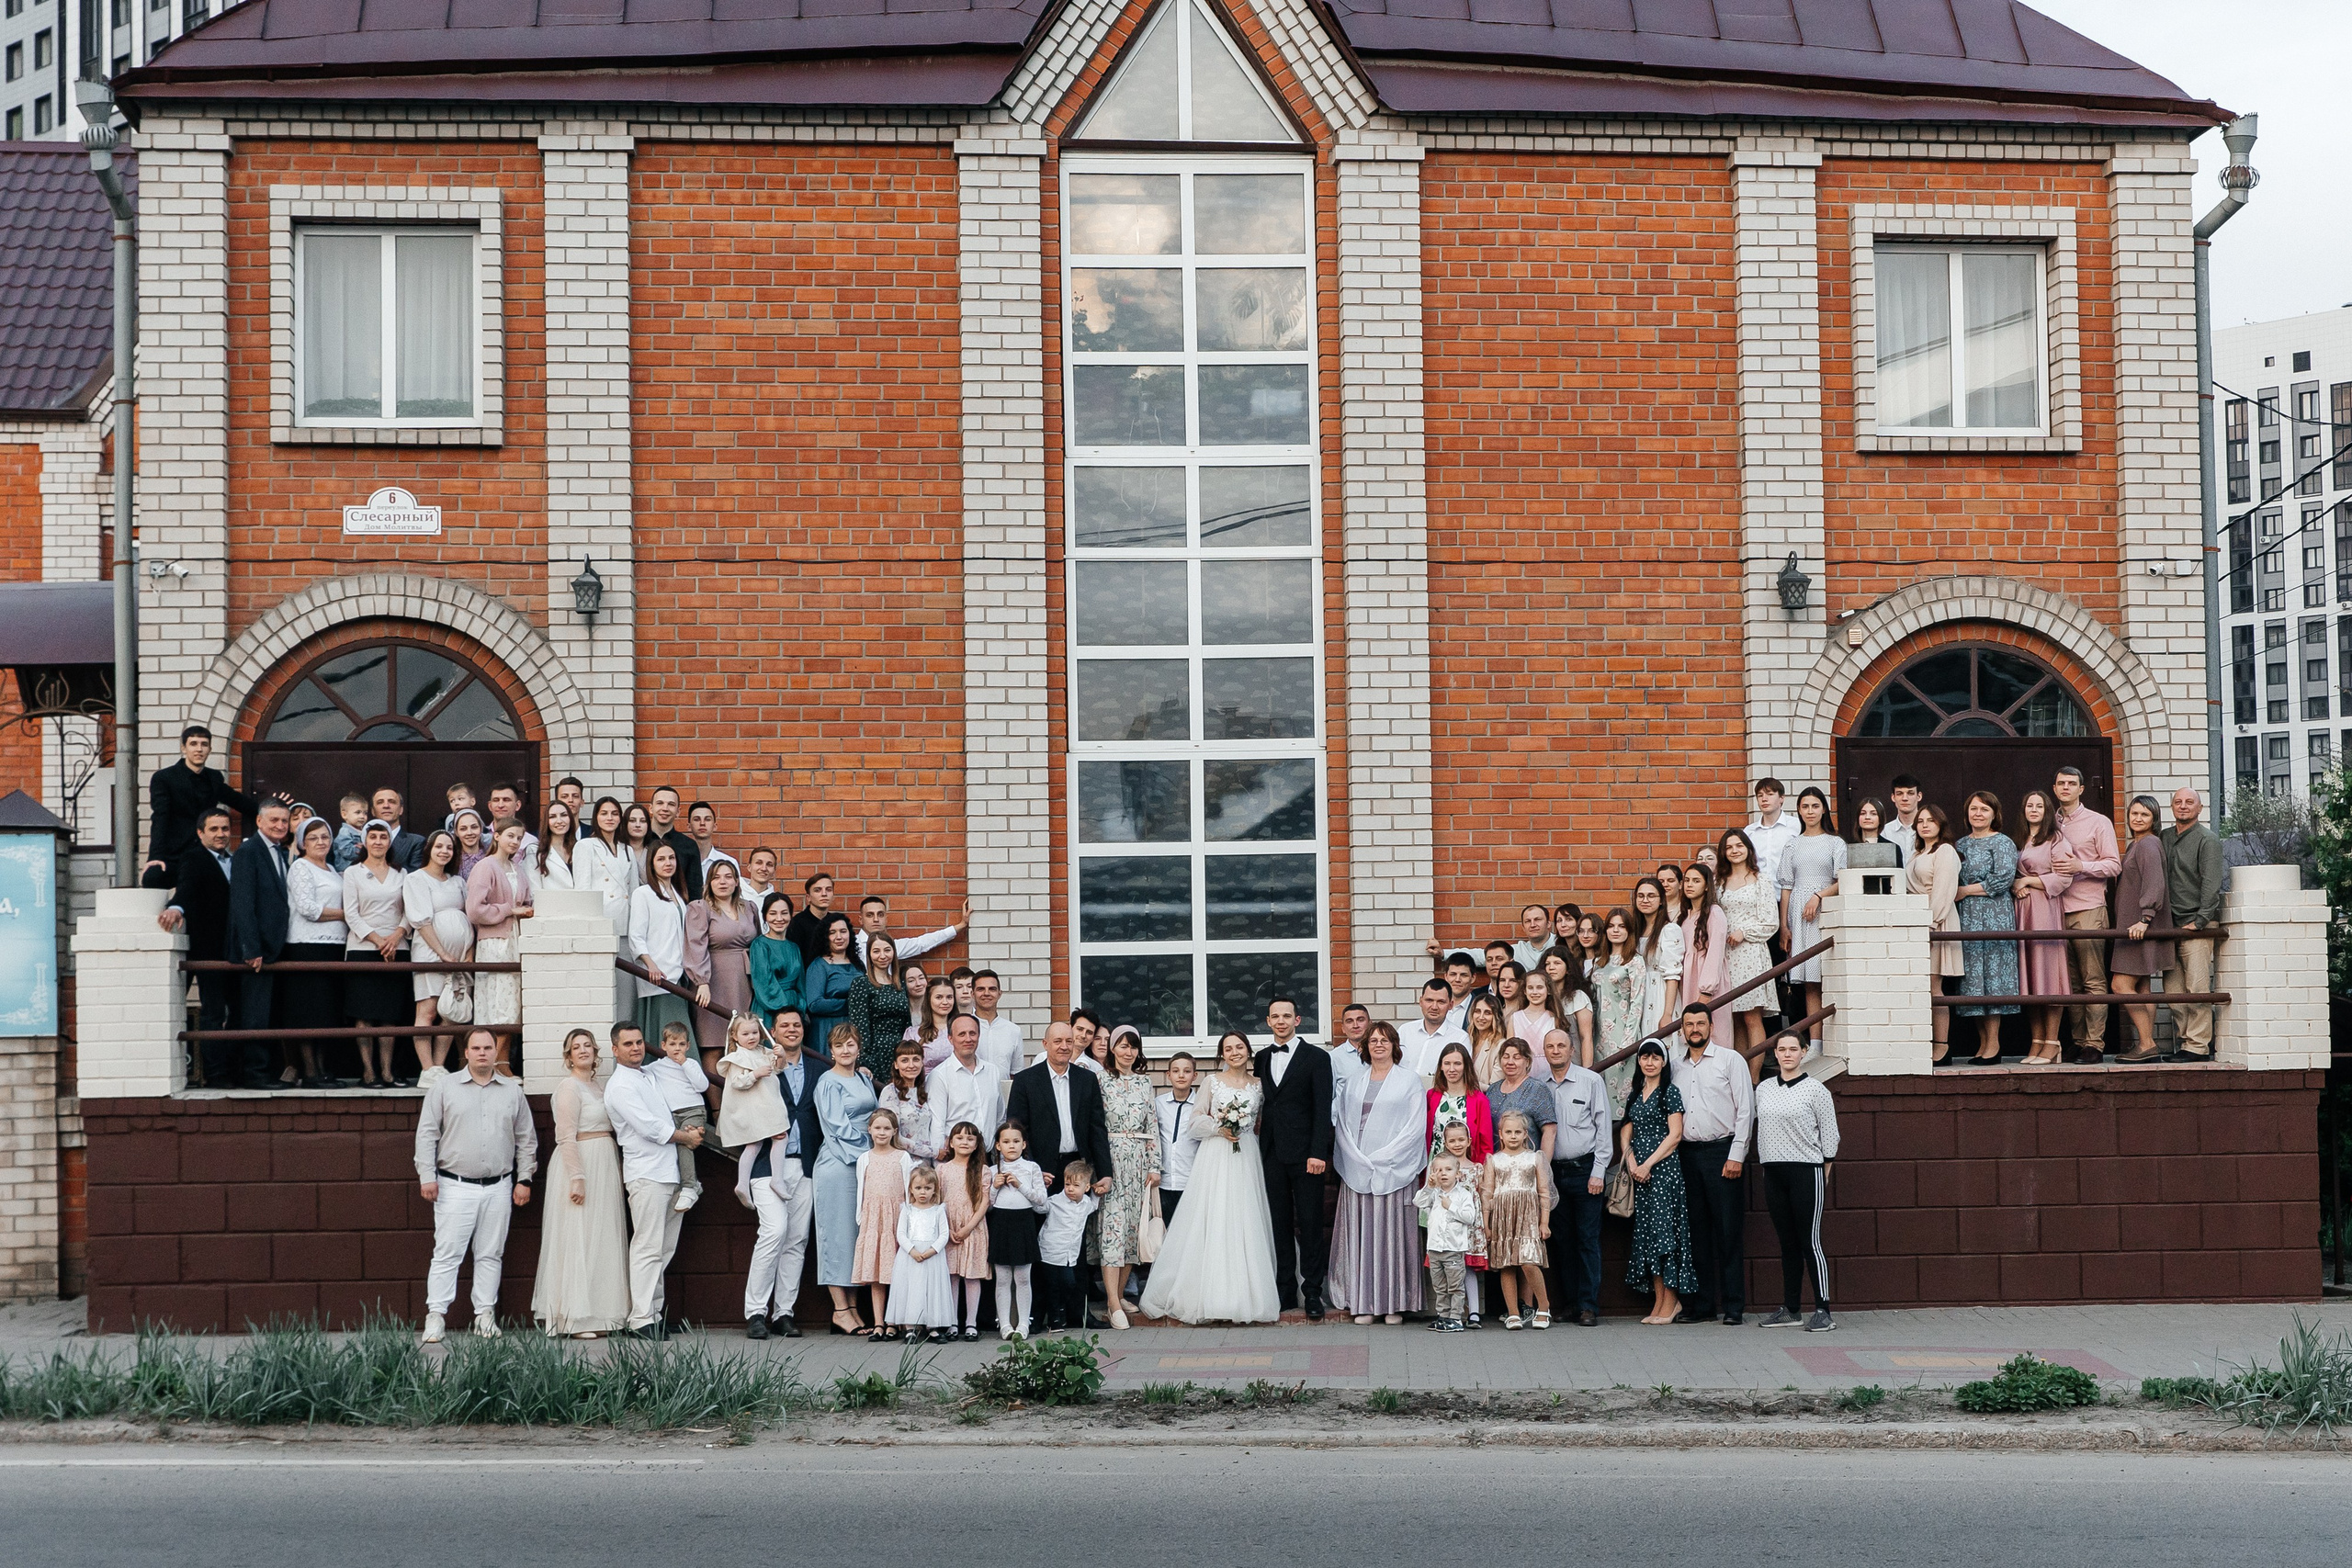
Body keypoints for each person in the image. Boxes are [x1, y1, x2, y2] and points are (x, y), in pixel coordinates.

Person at [1137, 1031, 1282, 1325]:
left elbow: (1259, 1122)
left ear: (1248, 1050)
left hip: (1246, 1156)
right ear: (1222, 1055)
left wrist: (1241, 1127)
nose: (1234, 1052)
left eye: (1239, 1047)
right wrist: (1220, 1127)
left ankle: (1245, 1295)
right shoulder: (1211, 1082)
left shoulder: (1258, 1086)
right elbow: (1195, 1121)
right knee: (1215, 1216)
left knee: (1244, 1218)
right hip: (1216, 1154)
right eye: (1228, 1049)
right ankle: (1209, 1293)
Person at [413, 1028, 537, 1343]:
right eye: (476, 1048)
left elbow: (526, 1140)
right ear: (465, 1052)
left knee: (490, 1254)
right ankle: (435, 1317)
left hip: (499, 1186)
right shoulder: (444, 1088)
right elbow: (427, 1133)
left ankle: (484, 1315)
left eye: (488, 1047)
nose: (482, 1053)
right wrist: (427, 1176)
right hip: (454, 1185)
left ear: (496, 1052)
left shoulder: (512, 1091)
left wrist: (524, 1179)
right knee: (447, 1253)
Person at [603, 1021, 704, 1339]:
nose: (635, 1048)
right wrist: (686, 1137)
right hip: (646, 1174)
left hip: (670, 1172)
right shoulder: (620, 1086)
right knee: (647, 1247)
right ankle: (640, 1318)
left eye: (638, 1042)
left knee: (663, 1249)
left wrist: (692, 1131)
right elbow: (649, 1127)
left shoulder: (649, 1074)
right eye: (628, 1044)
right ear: (615, 1050)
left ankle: (655, 1313)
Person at [1327, 1021, 1429, 1325]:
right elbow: (1342, 1125)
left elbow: (1414, 1127)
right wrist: (1358, 1158)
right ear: (1365, 1047)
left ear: (1394, 1046)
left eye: (1385, 1040)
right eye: (1373, 1041)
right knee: (1363, 1238)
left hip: (1394, 1170)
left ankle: (1393, 1304)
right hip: (1358, 1170)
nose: (1379, 1045)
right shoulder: (1353, 1082)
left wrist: (1384, 1157)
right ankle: (1364, 1303)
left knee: (1391, 1238)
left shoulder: (1409, 1081)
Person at [533, 1028, 629, 1339]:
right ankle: (573, 1320)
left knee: (602, 1237)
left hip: (605, 1163)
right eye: (577, 1047)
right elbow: (565, 1136)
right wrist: (577, 1177)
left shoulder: (600, 1087)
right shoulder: (568, 1088)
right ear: (569, 1055)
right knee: (578, 1238)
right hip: (581, 1165)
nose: (584, 1050)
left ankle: (602, 1314)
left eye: (588, 1045)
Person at [737, 1006, 820, 1338]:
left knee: (797, 1239)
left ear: (803, 1030)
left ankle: (783, 1312)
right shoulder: (761, 1063)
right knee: (774, 1231)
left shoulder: (818, 1068)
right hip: (767, 1163)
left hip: (808, 1162)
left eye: (796, 1025)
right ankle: (755, 1312)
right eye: (784, 1025)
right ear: (773, 1030)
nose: (791, 1029)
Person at [1668, 1002, 1753, 1325]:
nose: (1695, 1029)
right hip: (1687, 1156)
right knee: (1696, 1234)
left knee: (1728, 1233)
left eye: (1700, 1023)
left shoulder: (1730, 1061)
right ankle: (1702, 1307)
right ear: (1682, 1030)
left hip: (1722, 1154)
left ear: (1711, 1027)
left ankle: (1733, 1308)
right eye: (1689, 1024)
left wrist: (1736, 1155)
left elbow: (1745, 1109)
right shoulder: (1675, 1067)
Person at [1253, 998, 1334, 1319]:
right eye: (1276, 1016)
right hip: (1271, 1153)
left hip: (1306, 1156)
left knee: (1311, 1223)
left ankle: (1312, 1292)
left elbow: (1322, 1108)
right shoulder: (1261, 1058)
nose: (1282, 1021)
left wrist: (1318, 1152)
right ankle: (1285, 1290)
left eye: (1288, 1016)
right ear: (1268, 1021)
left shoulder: (1317, 1058)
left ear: (1298, 1020)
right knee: (1279, 1223)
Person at [1755, 1032, 1839, 1331]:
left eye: (1793, 1049)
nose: (1787, 1054)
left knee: (1809, 1241)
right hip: (1773, 1173)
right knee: (1787, 1242)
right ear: (1775, 1054)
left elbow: (1831, 1135)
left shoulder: (1816, 1090)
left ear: (1804, 1052)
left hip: (1807, 1171)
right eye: (1782, 1049)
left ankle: (1823, 1310)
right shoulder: (1764, 1089)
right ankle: (1791, 1309)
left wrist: (1824, 1170)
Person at [156, 808, 238, 1081]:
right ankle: (216, 1075)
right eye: (214, 829)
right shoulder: (194, 857)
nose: (221, 834)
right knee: (214, 1012)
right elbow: (186, 889)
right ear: (200, 833)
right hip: (209, 950)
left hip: (236, 950)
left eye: (225, 829)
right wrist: (176, 907)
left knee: (237, 1011)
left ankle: (234, 1070)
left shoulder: (235, 861)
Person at [1620, 1038, 1694, 1325]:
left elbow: (1675, 1136)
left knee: (1666, 1234)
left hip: (1664, 1173)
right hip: (1641, 1173)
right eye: (1644, 1057)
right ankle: (1659, 1301)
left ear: (1663, 1062)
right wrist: (1632, 1161)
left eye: (1655, 1057)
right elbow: (1626, 1130)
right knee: (1650, 1235)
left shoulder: (1670, 1092)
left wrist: (1648, 1163)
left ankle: (1671, 1302)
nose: (1649, 1062)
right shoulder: (1636, 1093)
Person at [1540, 1028, 1611, 1327]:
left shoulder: (1590, 1081)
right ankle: (1570, 1303)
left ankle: (1588, 1306)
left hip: (1585, 1173)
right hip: (1554, 1175)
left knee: (1587, 1241)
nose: (1556, 1051)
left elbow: (1604, 1130)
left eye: (1561, 1046)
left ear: (1571, 1050)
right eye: (1550, 1047)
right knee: (1562, 1243)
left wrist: (1598, 1172)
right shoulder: (1540, 1087)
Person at [2050, 765, 2121, 1061]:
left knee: (2093, 980)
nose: (2065, 788)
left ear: (2081, 789)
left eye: (2071, 783)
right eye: (2060, 783)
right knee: (2072, 983)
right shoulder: (2050, 822)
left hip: (2088, 908)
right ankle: (2078, 1042)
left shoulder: (2098, 822)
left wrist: (2082, 867)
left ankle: (2094, 1044)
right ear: (2054, 789)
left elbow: (2114, 865)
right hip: (2057, 910)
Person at [222, 798, 294, 1091]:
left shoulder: (282, 853)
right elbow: (243, 903)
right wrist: (251, 949)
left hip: (276, 949)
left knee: (269, 1013)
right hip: (256, 952)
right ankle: (254, 1074)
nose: (280, 825)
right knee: (255, 1014)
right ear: (260, 822)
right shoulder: (249, 852)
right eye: (274, 820)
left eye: (284, 821)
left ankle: (268, 1070)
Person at [813, 1023, 879, 1336]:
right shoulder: (828, 1082)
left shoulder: (863, 1078)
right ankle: (839, 1310)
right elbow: (838, 1127)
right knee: (836, 1237)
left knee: (855, 1236)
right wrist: (873, 1148)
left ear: (858, 1046)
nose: (845, 1051)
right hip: (839, 1165)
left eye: (850, 1044)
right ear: (831, 1050)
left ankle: (853, 1309)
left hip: (864, 1165)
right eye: (839, 1046)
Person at [1094, 1026, 1161, 1327]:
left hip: (1138, 1164)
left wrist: (1154, 1165)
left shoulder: (1145, 1083)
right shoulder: (1100, 1079)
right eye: (1121, 1046)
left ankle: (1118, 1294)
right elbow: (1094, 1124)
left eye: (1132, 1047)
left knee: (1133, 1232)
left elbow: (1152, 1125)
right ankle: (1111, 1303)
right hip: (1111, 1159)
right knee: (1112, 1231)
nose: (1127, 1052)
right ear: (1111, 1048)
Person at [1005, 1021, 1115, 1201]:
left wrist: (1105, 1172)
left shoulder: (1087, 1079)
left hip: (1078, 1169)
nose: (1064, 1047)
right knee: (1042, 1226)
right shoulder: (1026, 1080)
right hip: (1042, 1170)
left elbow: (1097, 1128)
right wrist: (1031, 1170)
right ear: (1045, 1044)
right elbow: (1017, 1129)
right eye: (1057, 1041)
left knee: (1075, 1226)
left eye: (1069, 1041)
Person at [341, 819, 413, 1089]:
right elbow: (351, 913)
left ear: (389, 841)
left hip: (396, 949)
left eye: (383, 837)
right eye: (373, 837)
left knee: (389, 1014)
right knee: (364, 1013)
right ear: (365, 841)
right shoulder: (353, 873)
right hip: (363, 949)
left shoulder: (401, 873)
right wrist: (377, 939)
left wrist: (395, 937)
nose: (379, 842)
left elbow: (409, 911)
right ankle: (369, 1071)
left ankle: (388, 1071)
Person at [142, 725, 257, 888]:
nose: (199, 749)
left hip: (205, 851)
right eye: (193, 744)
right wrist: (155, 856)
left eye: (204, 744)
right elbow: (160, 816)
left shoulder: (214, 777)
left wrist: (269, 812)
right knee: (153, 878)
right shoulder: (165, 778)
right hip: (175, 852)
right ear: (184, 748)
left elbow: (237, 800)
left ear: (210, 749)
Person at [1953, 791, 2020, 1064]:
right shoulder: (1959, 844)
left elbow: (2003, 879)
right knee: (1973, 980)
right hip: (1967, 917)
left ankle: (1994, 1045)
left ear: (1994, 813)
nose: (1978, 814)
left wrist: (1965, 890)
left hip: (1995, 915)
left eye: (1984, 809)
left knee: (1993, 978)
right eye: (1973, 809)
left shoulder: (2002, 842)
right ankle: (1982, 1044)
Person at [283, 817, 349, 1090]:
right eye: (313, 838)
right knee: (309, 1011)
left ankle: (323, 1070)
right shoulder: (301, 868)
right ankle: (310, 1072)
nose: (320, 842)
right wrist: (348, 915)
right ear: (301, 844)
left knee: (326, 1012)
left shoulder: (333, 870)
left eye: (324, 836)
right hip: (307, 946)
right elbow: (307, 908)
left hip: (334, 947)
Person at [2160, 787, 2224, 1063]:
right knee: (2173, 993)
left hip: (2196, 926)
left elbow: (2211, 884)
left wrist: (2199, 922)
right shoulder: (2164, 837)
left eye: (2189, 802)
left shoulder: (2207, 840)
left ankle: (2197, 1046)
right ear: (2171, 807)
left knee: (2196, 988)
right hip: (2168, 927)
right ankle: (2184, 1043)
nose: (2183, 806)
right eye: (2178, 802)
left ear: (2199, 809)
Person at [402, 829, 470, 1083]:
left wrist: (465, 956)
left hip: (457, 957)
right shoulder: (416, 879)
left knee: (449, 1013)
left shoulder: (457, 882)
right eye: (439, 846)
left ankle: (440, 1068)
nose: (444, 851)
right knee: (428, 1010)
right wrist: (442, 954)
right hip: (430, 953)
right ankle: (427, 1068)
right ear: (429, 849)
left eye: (449, 848)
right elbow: (420, 920)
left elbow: (467, 919)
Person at [2010, 788, 2073, 1066]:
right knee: (2031, 978)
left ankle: (2052, 1042)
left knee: (2049, 975)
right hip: (2023, 911)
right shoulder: (2021, 839)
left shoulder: (2056, 839)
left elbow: (2063, 878)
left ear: (2047, 810)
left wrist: (2028, 882)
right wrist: (2016, 884)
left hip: (2046, 910)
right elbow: (2013, 875)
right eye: (2029, 805)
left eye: (2039, 805)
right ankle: (2036, 1041)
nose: (2033, 810)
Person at [2111, 795, 2175, 1064]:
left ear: (2154, 819)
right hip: (2135, 927)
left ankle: (2147, 1043)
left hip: (2139, 928)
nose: (2137, 819)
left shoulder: (2148, 843)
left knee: (2120, 984)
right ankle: (2146, 1044)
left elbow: (2155, 883)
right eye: (2134, 814)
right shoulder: (2137, 844)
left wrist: (2145, 918)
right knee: (2143, 986)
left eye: (2144, 815)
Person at [466, 818, 535, 1060]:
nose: (515, 841)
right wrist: (509, 910)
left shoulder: (517, 868)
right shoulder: (486, 866)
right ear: (496, 836)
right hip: (495, 942)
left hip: (515, 940)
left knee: (513, 1002)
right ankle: (495, 1061)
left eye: (519, 837)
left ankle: (502, 1060)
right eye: (510, 836)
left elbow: (524, 902)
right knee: (497, 1002)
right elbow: (474, 910)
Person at [1782, 788, 1846, 1034]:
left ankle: (1833, 1039)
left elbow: (1844, 880)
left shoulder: (1834, 842)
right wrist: (1784, 926)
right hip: (1799, 916)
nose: (1810, 811)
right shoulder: (1792, 844)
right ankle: (1815, 1042)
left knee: (1825, 975)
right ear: (1798, 810)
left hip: (1825, 911)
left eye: (1815, 806)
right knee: (1809, 982)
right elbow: (1787, 886)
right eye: (1805, 806)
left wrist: (1819, 896)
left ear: (1824, 810)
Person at [1481, 1111, 1552, 1330]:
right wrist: (1486, 1223)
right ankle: (1513, 1312)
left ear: (1525, 1134)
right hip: (1502, 1216)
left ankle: (1544, 1306)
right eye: (1508, 1132)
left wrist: (1544, 1221)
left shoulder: (1535, 1157)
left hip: (1529, 1216)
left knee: (1528, 1262)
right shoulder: (1494, 1160)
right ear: (1500, 1134)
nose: (1513, 1136)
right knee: (1506, 1265)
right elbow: (1487, 1193)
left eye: (1518, 1132)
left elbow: (1544, 1191)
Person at [1907, 804, 1962, 1065]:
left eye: (1930, 820)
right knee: (1920, 987)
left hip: (1936, 920)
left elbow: (1944, 890)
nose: (1925, 825)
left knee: (1934, 986)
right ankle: (1922, 1042)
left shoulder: (1946, 851)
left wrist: (1931, 923)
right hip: (1916, 921)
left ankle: (1942, 1046)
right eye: (1920, 821)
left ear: (1941, 823)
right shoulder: (1917, 853)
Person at [684, 859, 756, 1059]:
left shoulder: (749, 908)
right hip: (714, 982)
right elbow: (695, 945)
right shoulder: (701, 908)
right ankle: (716, 1091)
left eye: (728, 877)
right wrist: (702, 982)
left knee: (743, 1041)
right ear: (709, 883)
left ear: (736, 881)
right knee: (714, 1043)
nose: (722, 882)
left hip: (744, 982)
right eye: (716, 877)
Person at [1715, 828, 1777, 1063]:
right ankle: (1739, 1073)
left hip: (1751, 952)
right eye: (1729, 847)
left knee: (1752, 1017)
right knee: (1735, 1018)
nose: (1734, 851)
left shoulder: (1760, 880)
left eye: (1739, 846)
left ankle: (1753, 1076)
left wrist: (1745, 932)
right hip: (1726, 955)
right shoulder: (1718, 881)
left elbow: (1771, 921)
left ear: (1748, 849)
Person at [852, 1107, 912, 1339]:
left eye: (887, 1128)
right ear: (869, 1130)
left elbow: (908, 1190)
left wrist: (908, 1221)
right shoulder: (864, 1158)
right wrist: (861, 1219)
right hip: (873, 1221)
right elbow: (861, 1190)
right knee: (877, 1273)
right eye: (877, 1127)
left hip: (896, 1220)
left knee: (898, 1273)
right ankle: (879, 1322)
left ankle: (897, 1322)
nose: (882, 1132)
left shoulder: (902, 1157)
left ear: (895, 1131)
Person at [986, 1121, 1048, 1338]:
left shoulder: (1032, 1168)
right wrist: (994, 1187)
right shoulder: (992, 1170)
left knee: (1023, 1277)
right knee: (1002, 1278)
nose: (1011, 1145)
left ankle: (1023, 1323)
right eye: (1006, 1141)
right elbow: (987, 1206)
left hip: (1024, 1223)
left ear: (1024, 1144)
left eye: (1016, 1141)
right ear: (998, 1146)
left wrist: (1021, 1185)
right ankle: (1004, 1324)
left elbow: (1043, 1203)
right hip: (1001, 1224)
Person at [628, 843, 693, 1043]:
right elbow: (636, 935)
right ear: (651, 863)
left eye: (671, 858)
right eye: (661, 859)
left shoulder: (678, 893)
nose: (668, 863)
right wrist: (650, 965)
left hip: (679, 973)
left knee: (678, 1037)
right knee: (666, 1036)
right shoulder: (643, 893)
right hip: (658, 975)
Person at [885, 1165, 956, 1344]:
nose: (922, 1192)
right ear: (911, 1189)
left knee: (931, 1290)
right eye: (918, 1188)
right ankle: (911, 1327)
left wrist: (932, 1250)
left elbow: (944, 1234)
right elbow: (901, 1233)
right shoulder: (907, 1210)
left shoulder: (938, 1210)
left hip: (932, 1257)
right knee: (912, 1289)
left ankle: (932, 1327)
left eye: (927, 1188)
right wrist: (912, 1251)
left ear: (934, 1189)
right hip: (910, 1257)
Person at [646, 1022, 712, 1212]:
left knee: (685, 1142)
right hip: (672, 1116)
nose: (677, 1049)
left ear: (688, 1046)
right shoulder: (656, 1067)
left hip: (693, 1111)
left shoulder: (691, 1064)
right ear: (663, 1045)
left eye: (681, 1044)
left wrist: (684, 1064)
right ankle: (690, 1184)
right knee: (672, 1144)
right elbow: (641, 1075)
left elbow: (702, 1086)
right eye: (673, 1044)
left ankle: (689, 1187)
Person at [938, 1121, 992, 1341]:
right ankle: (952, 1322)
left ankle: (971, 1323)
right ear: (950, 1142)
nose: (964, 1142)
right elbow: (937, 1199)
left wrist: (968, 1227)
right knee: (952, 1276)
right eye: (959, 1138)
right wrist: (948, 1228)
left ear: (977, 1143)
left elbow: (984, 1202)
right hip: (948, 1228)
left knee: (971, 1276)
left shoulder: (983, 1170)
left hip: (974, 1229)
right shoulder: (942, 1169)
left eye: (970, 1138)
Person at [1416, 1154, 1480, 1333]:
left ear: (1457, 1174)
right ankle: (1443, 1316)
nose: (1443, 1173)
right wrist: (1429, 1186)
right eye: (1438, 1170)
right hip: (1435, 1248)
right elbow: (1418, 1202)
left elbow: (1469, 1217)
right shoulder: (1434, 1193)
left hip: (1453, 1249)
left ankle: (1456, 1318)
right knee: (1440, 1286)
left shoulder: (1463, 1194)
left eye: (1448, 1169)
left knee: (1455, 1286)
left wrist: (1451, 1206)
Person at [1036, 1157, 1101, 1332]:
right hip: (1050, 1251)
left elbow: (1094, 1205)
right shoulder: (1055, 1201)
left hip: (1069, 1255)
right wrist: (1043, 1188)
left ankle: (1062, 1310)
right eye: (1067, 1184)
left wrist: (1097, 1191)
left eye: (1076, 1185)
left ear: (1086, 1187)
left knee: (1069, 1283)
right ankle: (1055, 1319)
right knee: (1052, 1286)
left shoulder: (1086, 1203)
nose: (1070, 1189)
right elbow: (1039, 1207)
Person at [933, 1011, 1004, 1150]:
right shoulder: (940, 1075)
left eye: (972, 1033)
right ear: (950, 1038)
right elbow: (937, 1125)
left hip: (988, 1157)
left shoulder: (992, 1071)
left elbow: (999, 1117)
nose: (968, 1039)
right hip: (956, 1158)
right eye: (961, 1034)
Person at [847, 931, 912, 1081]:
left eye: (887, 950)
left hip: (900, 1052)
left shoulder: (900, 985)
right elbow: (859, 1026)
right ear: (869, 955)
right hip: (875, 1052)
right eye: (876, 951)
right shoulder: (861, 984)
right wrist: (864, 1061)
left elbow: (907, 1024)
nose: (882, 956)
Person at [1587, 908, 1645, 1073]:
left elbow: (1637, 1002)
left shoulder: (1635, 961)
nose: (1616, 930)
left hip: (1622, 1031)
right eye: (1611, 926)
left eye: (1621, 926)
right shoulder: (1598, 961)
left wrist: (1628, 1040)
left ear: (1629, 931)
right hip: (1598, 1034)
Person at [1745, 776, 1800, 947]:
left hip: (1789, 899)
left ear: (1781, 798)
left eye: (1770, 794)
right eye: (1760, 795)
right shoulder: (1749, 832)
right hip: (1760, 902)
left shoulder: (1796, 826)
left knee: (1790, 950)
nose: (1764, 799)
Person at [1483, 1038, 1557, 1165]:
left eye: (1516, 1057)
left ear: (1527, 1061)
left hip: (1527, 1166)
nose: (1510, 1062)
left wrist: (1543, 1168)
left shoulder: (1537, 1089)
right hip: (1497, 1166)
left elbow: (1550, 1130)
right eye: (1506, 1057)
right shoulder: (1493, 1089)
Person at [1153, 1050, 1204, 1231]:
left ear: (1195, 1075)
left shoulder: (1201, 1105)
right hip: (1163, 1182)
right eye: (1175, 1071)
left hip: (1191, 1181)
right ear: (1168, 1075)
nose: (1181, 1075)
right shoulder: (1158, 1104)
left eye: (1187, 1071)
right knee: (1164, 1232)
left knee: (1188, 1232)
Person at [1679, 863, 1728, 1051]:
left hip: (1707, 984)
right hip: (1688, 982)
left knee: (1712, 1034)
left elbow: (1715, 953)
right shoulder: (1685, 915)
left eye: (1696, 881)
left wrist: (1706, 992)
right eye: (1687, 880)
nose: (1690, 885)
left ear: (1707, 886)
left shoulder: (1714, 913)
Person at [1632, 874, 1683, 1046]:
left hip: (1660, 994)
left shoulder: (1669, 930)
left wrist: (1667, 1014)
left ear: (1661, 900)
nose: (1645, 900)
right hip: (1638, 994)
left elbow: (1672, 975)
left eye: (1651, 896)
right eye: (1641, 896)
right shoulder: (1634, 930)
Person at [854, 892, 969, 967]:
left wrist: (961, 925)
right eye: (870, 915)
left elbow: (921, 943)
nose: (876, 919)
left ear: (886, 919)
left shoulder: (891, 946)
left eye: (880, 915)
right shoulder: (850, 944)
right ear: (861, 919)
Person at [1426, 1042, 1493, 1167]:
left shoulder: (1479, 1100)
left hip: (1467, 1168)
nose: (1452, 1069)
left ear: (1466, 1066)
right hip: (1436, 1166)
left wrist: (1482, 1172)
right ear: (1441, 1066)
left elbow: (1486, 1145)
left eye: (1457, 1064)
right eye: (1447, 1064)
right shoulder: (1432, 1096)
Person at [748, 891, 806, 1032]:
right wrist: (785, 1010)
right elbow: (764, 983)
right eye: (773, 913)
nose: (779, 918)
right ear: (765, 917)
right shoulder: (760, 945)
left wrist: (799, 1008)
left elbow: (801, 984)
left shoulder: (794, 947)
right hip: (770, 1008)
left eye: (784, 913)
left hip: (794, 1009)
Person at [877, 1041, 940, 1163]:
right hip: (903, 1161)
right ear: (896, 1064)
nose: (911, 1065)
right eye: (905, 1060)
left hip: (926, 1163)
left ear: (922, 1063)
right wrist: (934, 1152)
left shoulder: (925, 1089)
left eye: (916, 1059)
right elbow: (893, 1136)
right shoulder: (890, 1092)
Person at [1402, 978, 1468, 1081]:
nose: (1434, 1007)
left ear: (1450, 1005)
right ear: (1421, 1001)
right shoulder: (1404, 1031)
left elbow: (1463, 1076)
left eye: (1441, 1002)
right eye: (1429, 1000)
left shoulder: (1460, 1038)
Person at [647, 785, 703, 898]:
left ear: (678, 811)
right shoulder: (638, 840)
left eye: (671, 804)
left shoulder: (689, 846)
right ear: (651, 808)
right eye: (660, 803)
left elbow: (695, 890)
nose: (665, 808)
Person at [972, 968, 1025, 1083]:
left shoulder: (1013, 1030)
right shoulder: (963, 1028)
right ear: (972, 994)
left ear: (999, 993)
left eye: (992, 989)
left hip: (1003, 1097)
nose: (986, 993)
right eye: (981, 989)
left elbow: (1016, 1073)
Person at [784, 872, 840, 963]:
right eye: (818, 890)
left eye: (828, 890)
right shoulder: (797, 924)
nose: (824, 894)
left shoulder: (836, 922)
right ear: (808, 897)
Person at [371, 787, 430, 874]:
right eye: (380, 802)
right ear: (373, 811)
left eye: (392, 802)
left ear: (401, 809)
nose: (386, 806)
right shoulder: (362, 841)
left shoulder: (416, 842)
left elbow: (415, 876)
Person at [910, 976, 957, 1067]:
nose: (945, 1002)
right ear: (929, 999)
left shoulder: (962, 1030)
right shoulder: (914, 1034)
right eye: (939, 997)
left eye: (949, 997)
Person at [1464, 993, 1509, 1088]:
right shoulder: (1465, 1040)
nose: (1481, 1017)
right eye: (1477, 1011)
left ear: (1496, 1017)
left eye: (1488, 1013)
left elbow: (1495, 1089)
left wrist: (1464, 1084)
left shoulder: (1501, 1046)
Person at [686, 801, 737, 883]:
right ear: (689, 827)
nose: (702, 823)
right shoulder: (681, 860)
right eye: (696, 819)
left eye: (707, 819)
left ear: (715, 826)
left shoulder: (729, 862)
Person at [534, 800, 579, 891]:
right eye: (552, 817)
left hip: (581, 904)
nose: (559, 821)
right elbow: (534, 891)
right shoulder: (534, 851)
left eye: (564, 815)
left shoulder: (580, 848)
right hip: (550, 904)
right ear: (547, 821)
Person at [1884, 774, 1924, 859]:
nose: (1905, 798)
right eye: (1899, 793)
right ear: (1893, 797)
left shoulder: (1929, 829)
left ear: (1919, 796)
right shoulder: (1885, 832)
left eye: (1910, 793)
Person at [330, 793, 369, 874]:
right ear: (344, 814)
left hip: (360, 869)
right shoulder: (345, 831)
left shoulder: (365, 831)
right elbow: (346, 851)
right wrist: (365, 850)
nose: (362, 816)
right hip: (346, 871)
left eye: (365, 813)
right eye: (357, 812)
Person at [1510, 903, 1555, 971]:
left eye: (1537, 919)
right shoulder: (1516, 951)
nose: (1533, 925)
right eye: (1528, 921)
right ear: (1523, 927)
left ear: (1548, 924)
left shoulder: (1561, 944)